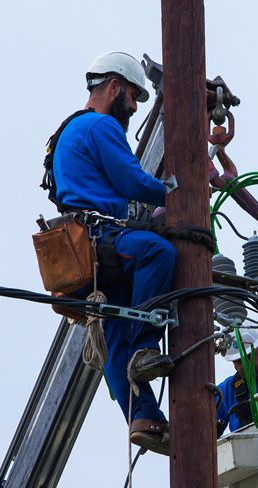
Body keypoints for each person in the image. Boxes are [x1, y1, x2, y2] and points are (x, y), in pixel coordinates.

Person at [50, 51, 175, 455]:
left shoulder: (68, 131)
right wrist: (180, 189)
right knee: (158, 253)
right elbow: (131, 179)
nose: (135, 108)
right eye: (133, 98)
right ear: (115, 87)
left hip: (85, 246)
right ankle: (147, 347)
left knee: (115, 336)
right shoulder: (100, 125)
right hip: (100, 237)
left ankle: (144, 417)